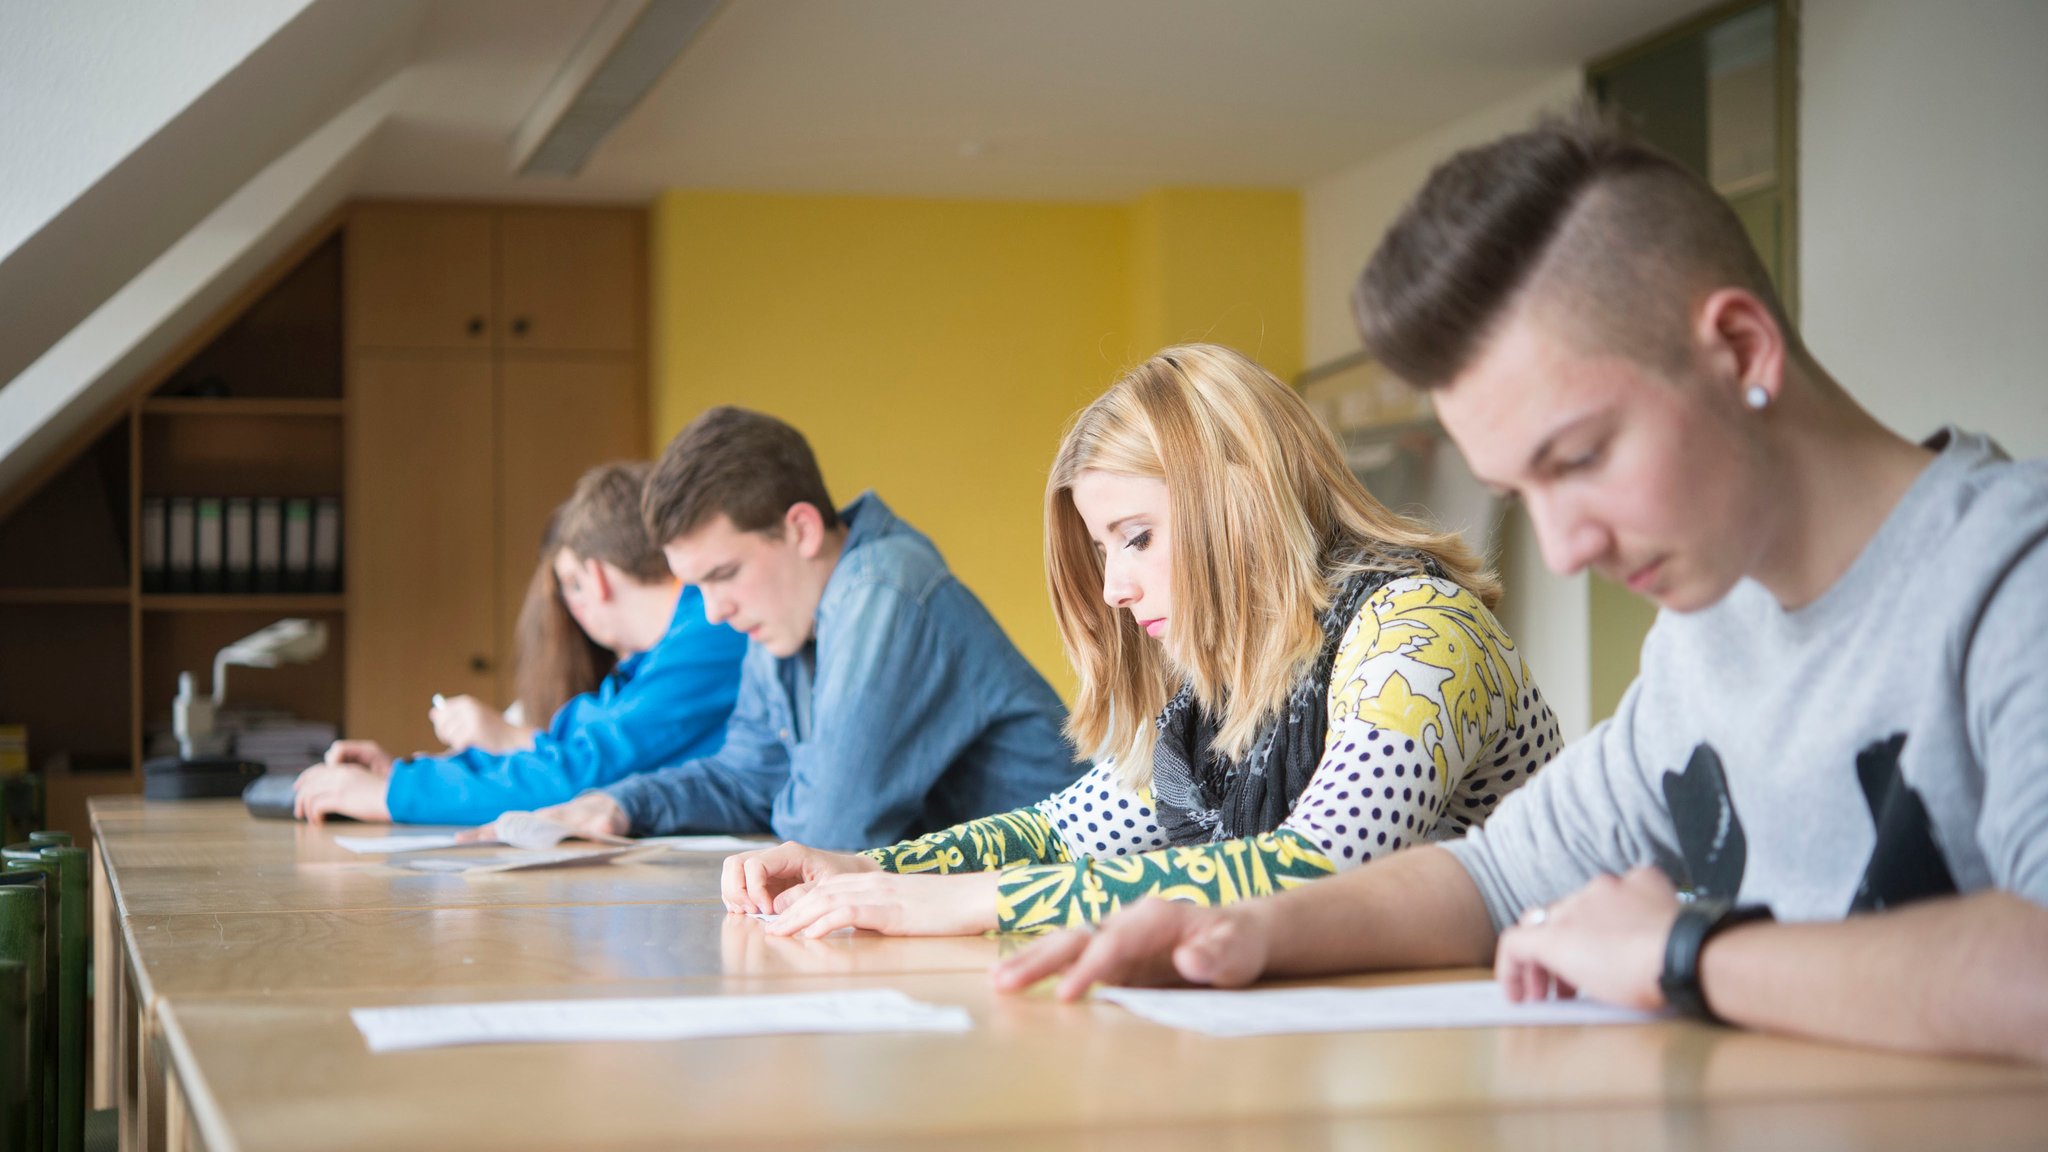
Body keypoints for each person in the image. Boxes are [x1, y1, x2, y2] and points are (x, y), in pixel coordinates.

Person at [992, 113, 2048, 1065]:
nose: (1560, 548)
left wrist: (1686, 955)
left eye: (1578, 457)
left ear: (1736, 347)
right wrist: (1245, 930)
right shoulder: (1705, 635)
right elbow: (1492, 876)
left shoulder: (2013, 576)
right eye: (1519, 491)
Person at [719, 344, 1556, 938]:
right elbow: (1060, 832)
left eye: (1138, 537)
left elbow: (1315, 873)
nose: (1115, 589)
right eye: (1104, 548)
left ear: (1241, 498)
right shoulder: (1232, 675)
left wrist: (982, 901)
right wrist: (871, 872)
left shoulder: (1419, 632)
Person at [487, 406, 1084, 850]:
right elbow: (747, 775)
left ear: (800, 529)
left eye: (725, 573)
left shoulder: (883, 592)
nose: (715, 611)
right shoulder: (787, 617)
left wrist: (785, 793)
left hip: (1060, 908)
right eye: (698, 586)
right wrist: (621, 802)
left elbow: (830, 832)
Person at [294, 461, 748, 825]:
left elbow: (577, 772)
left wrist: (392, 794)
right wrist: (403, 776)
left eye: (569, 585)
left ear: (593, 578)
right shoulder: (662, 654)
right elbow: (564, 753)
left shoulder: (709, 630)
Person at [429, 509, 618, 755]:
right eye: (573, 586)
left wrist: (506, 735)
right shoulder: (556, 679)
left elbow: (601, 763)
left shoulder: (643, 678)